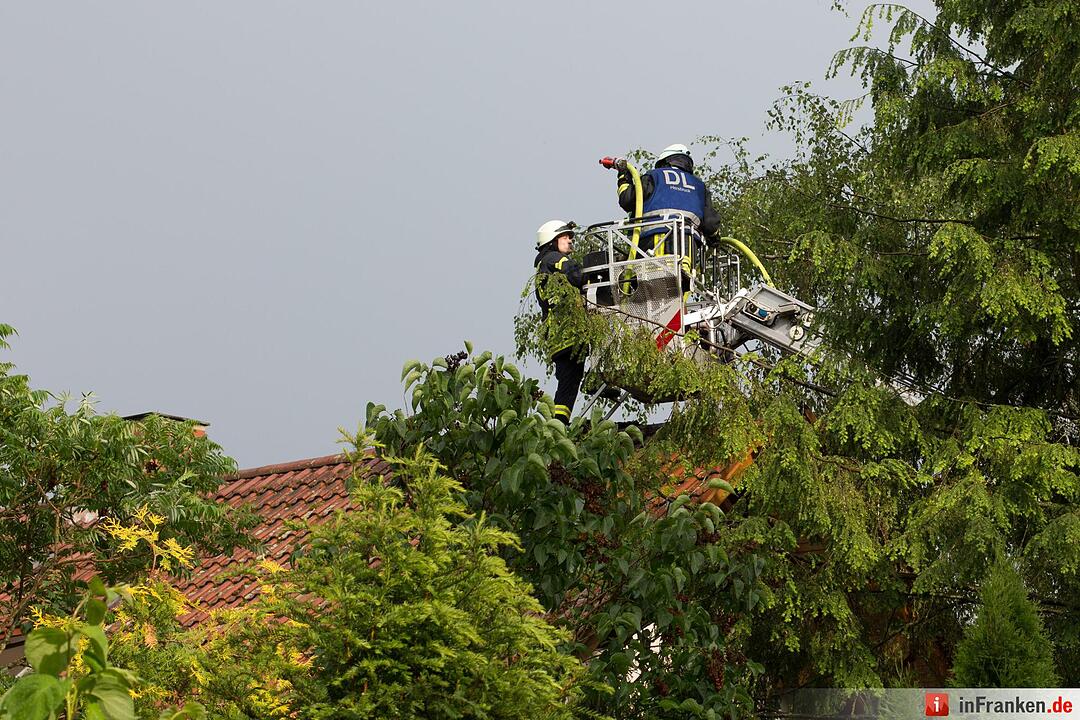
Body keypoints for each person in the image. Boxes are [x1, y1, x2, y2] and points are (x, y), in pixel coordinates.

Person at [616, 143, 722, 262]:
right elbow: (710, 225)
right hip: (687, 250)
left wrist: (623, 178)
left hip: (651, 247)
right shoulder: (699, 186)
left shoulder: (654, 176)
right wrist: (714, 239)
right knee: (682, 277)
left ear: (664, 161)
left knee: (642, 277)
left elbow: (627, 200)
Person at [534, 219, 586, 424]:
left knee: (569, 380)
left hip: (558, 336)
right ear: (552, 241)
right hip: (567, 332)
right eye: (565, 237)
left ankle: (560, 422)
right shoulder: (554, 259)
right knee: (570, 378)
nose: (570, 241)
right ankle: (558, 424)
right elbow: (575, 274)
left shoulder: (542, 266)